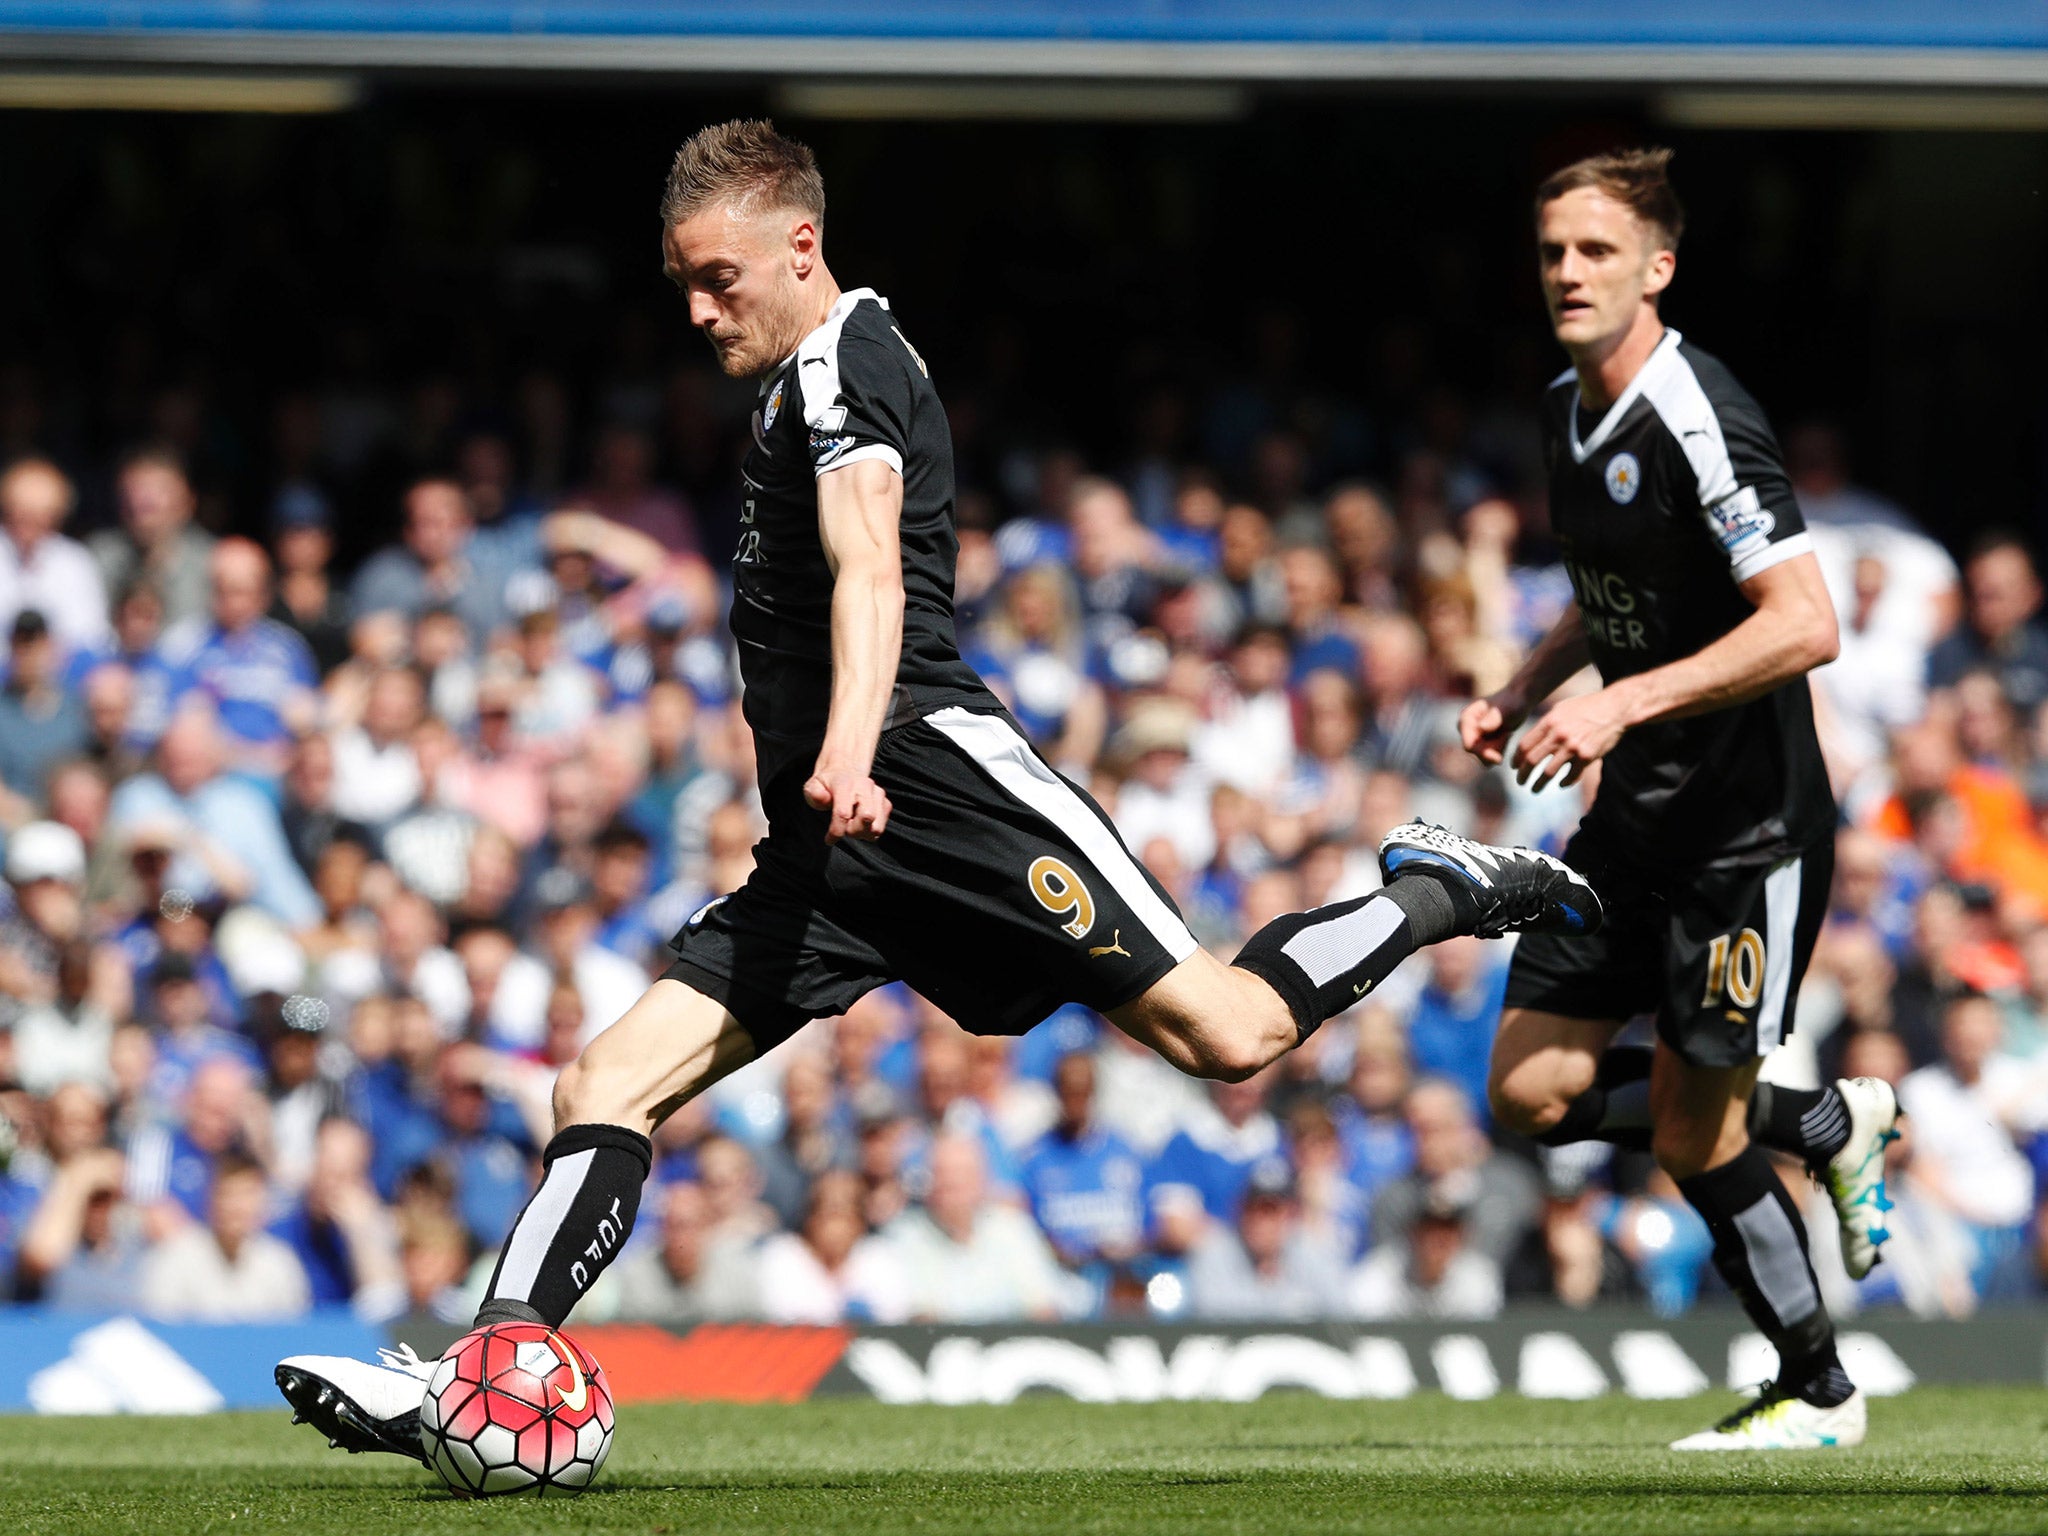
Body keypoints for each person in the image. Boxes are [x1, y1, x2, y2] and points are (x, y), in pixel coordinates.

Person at [275, 118, 1598, 1459]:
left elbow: (872, 572)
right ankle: (480, 1371)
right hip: (831, 849)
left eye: (716, 276)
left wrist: (847, 748)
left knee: (1233, 1035)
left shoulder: (844, 363)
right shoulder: (790, 378)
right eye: (681, 280)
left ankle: (1435, 887)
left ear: (800, 244)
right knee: (602, 1082)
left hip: (931, 786)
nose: (694, 307)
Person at [1443, 147, 1896, 1450]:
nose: (1569, 274)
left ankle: (1817, 1392)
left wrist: (1621, 704)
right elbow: (1616, 596)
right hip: (1634, 819)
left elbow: (1805, 624)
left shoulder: (1699, 415)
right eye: (1551, 254)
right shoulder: (1562, 410)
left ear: (1660, 267)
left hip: (1745, 840)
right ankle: (1823, 1121)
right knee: (1527, 1095)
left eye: (1596, 252)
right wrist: (1530, 682)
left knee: (1697, 1135)